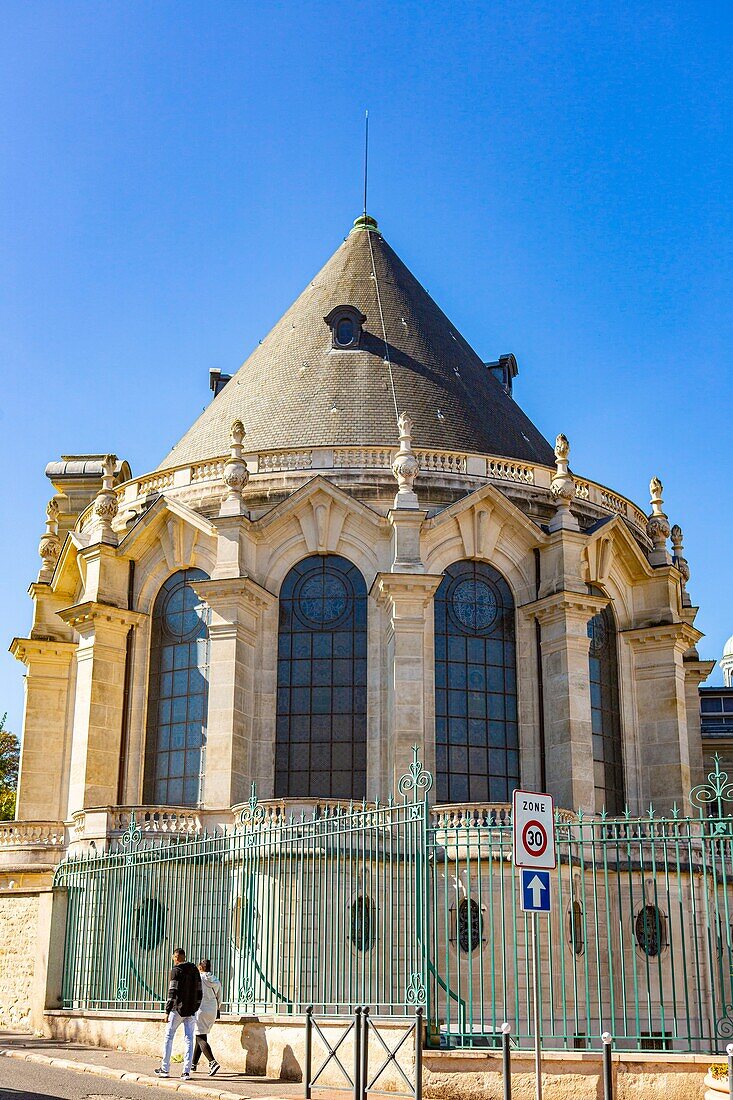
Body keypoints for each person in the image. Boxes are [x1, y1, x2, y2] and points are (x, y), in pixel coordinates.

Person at [155, 947, 202, 1080]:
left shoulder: (176, 971)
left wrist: (167, 1011)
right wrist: (196, 1006)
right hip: (191, 1010)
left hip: (177, 1009)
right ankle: (186, 1072)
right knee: (189, 1039)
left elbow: (172, 992)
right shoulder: (194, 969)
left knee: (169, 1037)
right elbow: (199, 990)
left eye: (173, 957)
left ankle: (165, 1069)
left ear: (176, 957)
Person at [191, 959, 222, 1076]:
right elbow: (219, 997)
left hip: (200, 1008)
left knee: (200, 1037)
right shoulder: (216, 980)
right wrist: (217, 1009)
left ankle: (212, 1062)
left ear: (200, 967)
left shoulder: (199, 978)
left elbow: (194, 993)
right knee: (201, 1034)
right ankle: (193, 1063)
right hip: (212, 1009)